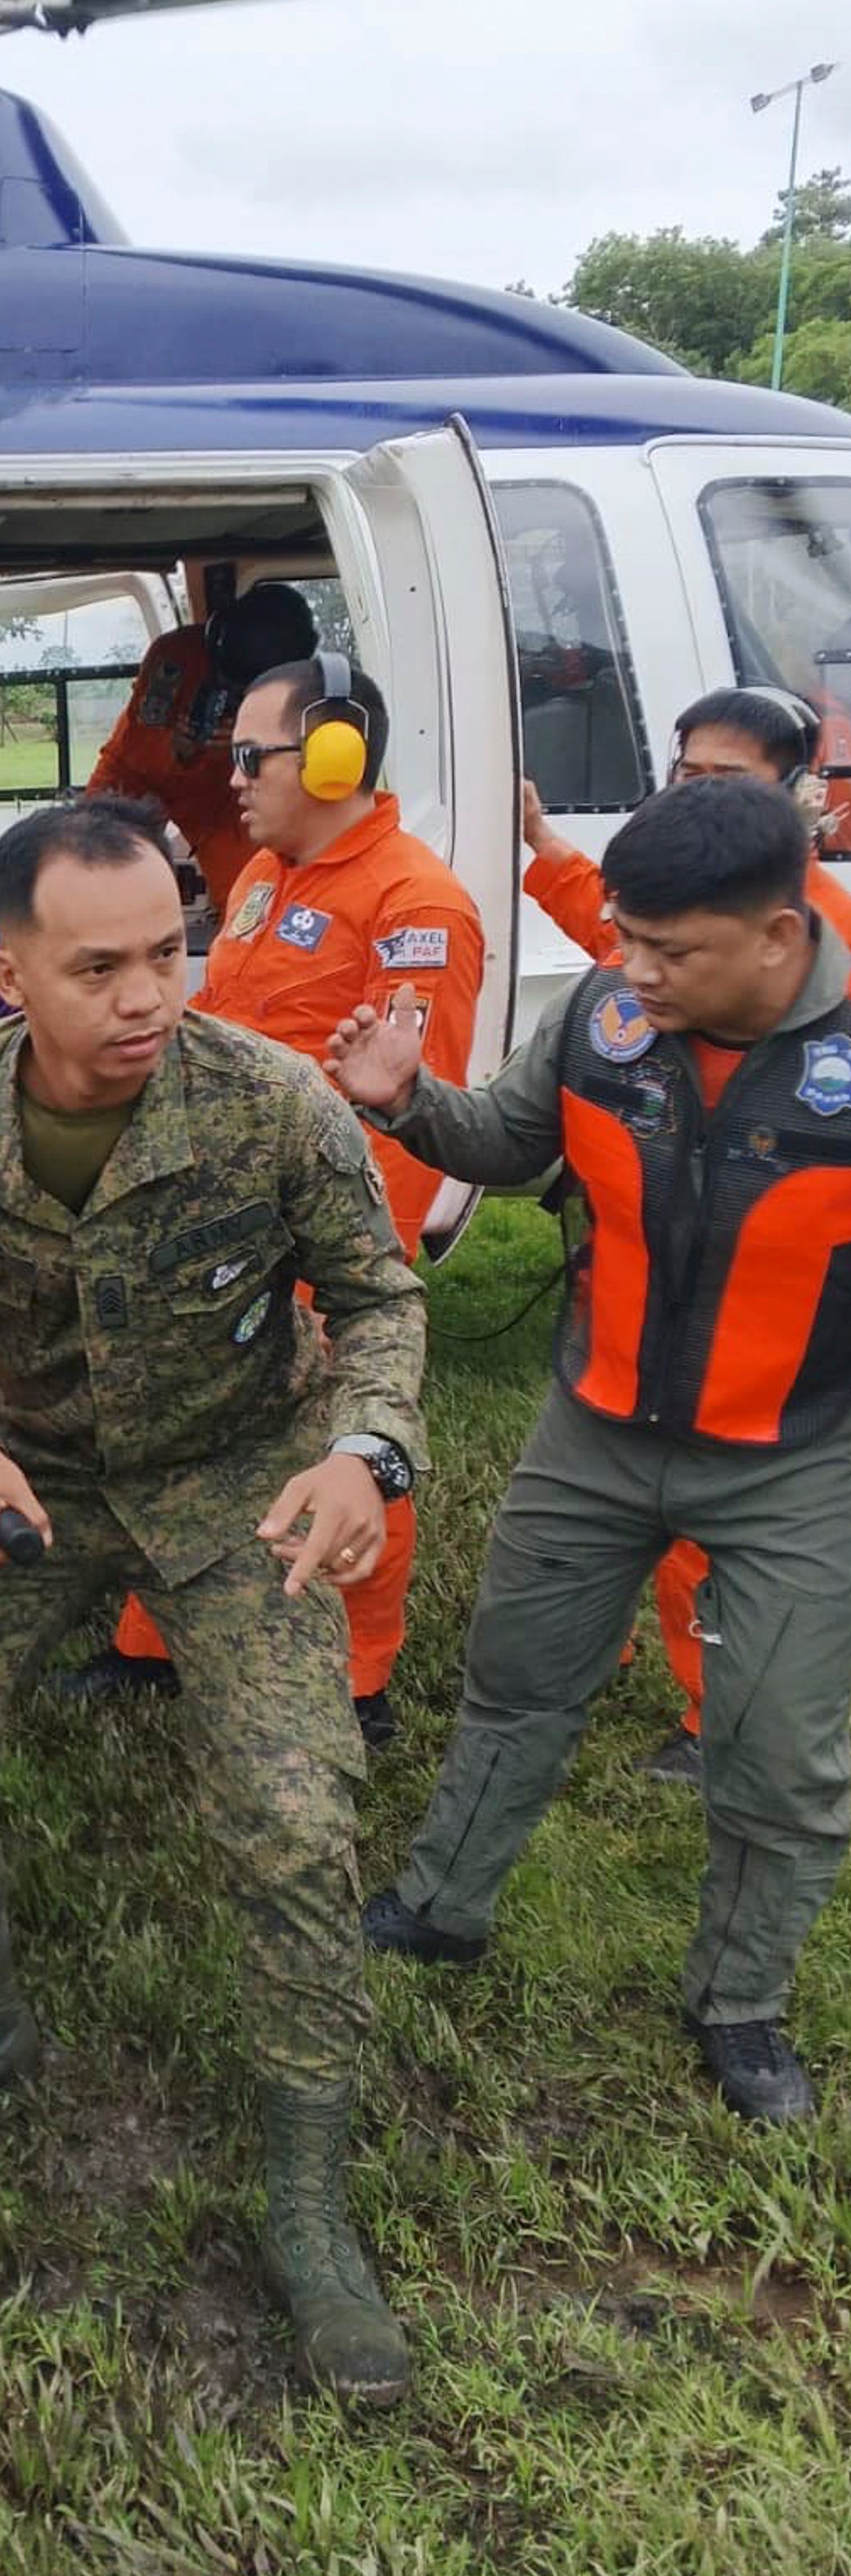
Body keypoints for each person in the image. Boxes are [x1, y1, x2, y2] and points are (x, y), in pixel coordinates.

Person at [0, 796, 428, 2404]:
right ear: (8, 971)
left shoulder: (270, 1102)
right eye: (96, 968)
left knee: (292, 1823)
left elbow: (375, 1294)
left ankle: (305, 2198)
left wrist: (362, 1449)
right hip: (37, 1474)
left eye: (168, 951)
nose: (145, 994)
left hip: (236, 1482)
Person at [337, 778, 851, 2128]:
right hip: (595, 1431)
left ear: (778, 936)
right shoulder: (601, 1021)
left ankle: (737, 2004)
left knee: (778, 1750)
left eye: (668, 949)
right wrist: (407, 1102)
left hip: (797, 1456)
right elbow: (508, 1144)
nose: (633, 969)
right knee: (515, 1680)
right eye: (623, 937)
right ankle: (440, 1905)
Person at [95, 656, 483, 1743]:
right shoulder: (266, 875)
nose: (231, 779)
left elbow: (408, 1115)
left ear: (334, 758)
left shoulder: (414, 906)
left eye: (250, 756)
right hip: (212, 1225)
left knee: (347, 1449)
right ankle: (156, 1644)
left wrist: (345, 1270)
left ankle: (356, 1680)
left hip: (318, 1241)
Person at [523, 685, 851, 1780]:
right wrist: (545, 851)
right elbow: (623, 939)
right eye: (685, 773)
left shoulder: (817, 943)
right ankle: (590, 1639)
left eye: (724, 779)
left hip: (763, 1306)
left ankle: (720, 1715)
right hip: (638, 1282)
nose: (693, 795)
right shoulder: (664, 938)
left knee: (724, 1502)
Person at [81, 583, 320, 914]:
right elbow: (142, 738)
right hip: (137, 772)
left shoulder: (296, 688)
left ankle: (241, 940)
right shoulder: (175, 656)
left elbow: (288, 758)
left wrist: (242, 744)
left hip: (220, 793)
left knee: (248, 893)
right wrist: (179, 748)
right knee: (88, 856)